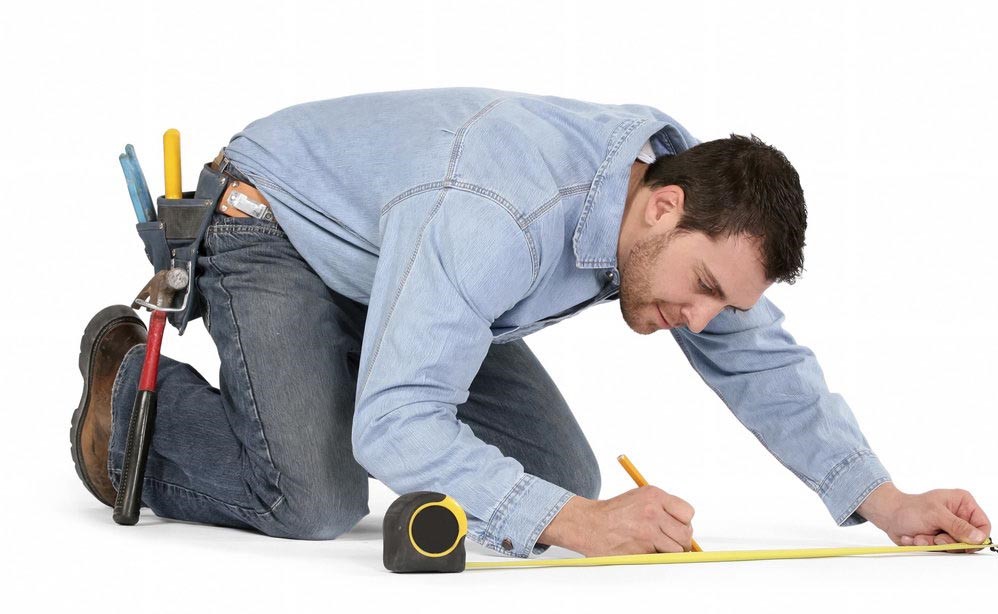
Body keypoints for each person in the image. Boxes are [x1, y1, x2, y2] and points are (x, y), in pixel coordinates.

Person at [71, 87, 991, 558]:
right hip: (275, 225)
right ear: (663, 207)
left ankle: (329, 376)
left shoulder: (673, 217)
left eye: (724, 304)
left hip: (402, 256)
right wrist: (581, 525)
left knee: (560, 484)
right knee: (316, 501)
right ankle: (129, 399)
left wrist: (889, 503)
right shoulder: (498, 214)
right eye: (704, 288)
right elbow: (393, 428)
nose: (700, 319)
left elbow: (764, 364)